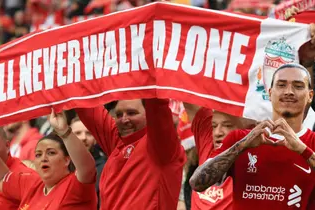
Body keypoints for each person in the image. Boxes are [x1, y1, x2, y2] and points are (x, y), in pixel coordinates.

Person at [190, 63, 315, 209]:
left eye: (298, 86)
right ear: (270, 93)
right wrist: (242, 146)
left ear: (310, 96)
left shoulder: (311, 142)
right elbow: (197, 183)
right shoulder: (239, 139)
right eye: (281, 85)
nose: (289, 91)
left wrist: (302, 150)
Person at [75, 98, 186, 210]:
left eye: (131, 113)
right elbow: (86, 105)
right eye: (118, 114)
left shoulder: (161, 146)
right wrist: (65, 132)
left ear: (149, 114)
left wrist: (146, 85)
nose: (124, 119)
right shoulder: (117, 141)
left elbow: (157, 106)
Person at [0, 109, 97, 209]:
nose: (43, 158)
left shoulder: (75, 185)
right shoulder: (31, 183)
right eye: (38, 154)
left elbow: (87, 167)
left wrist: (64, 131)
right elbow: (0, 178)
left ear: (67, 160)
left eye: (51, 153)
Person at [183, 102, 255, 210]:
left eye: (227, 125)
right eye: (214, 126)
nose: (217, 132)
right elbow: (188, 95)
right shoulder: (208, 141)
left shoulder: (256, 159)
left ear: (249, 129)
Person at [70, 116, 106, 209]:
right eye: (78, 133)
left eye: (89, 133)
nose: (84, 137)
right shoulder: (60, 166)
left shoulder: (104, 168)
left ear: (95, 139)